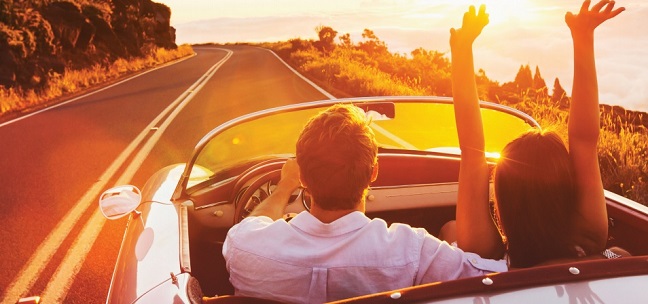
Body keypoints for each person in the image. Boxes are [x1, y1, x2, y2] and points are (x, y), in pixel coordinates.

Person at [222, 104, 506, 303]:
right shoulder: (413, 252)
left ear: (304, 177)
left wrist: (284, 187)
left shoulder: (244, 246)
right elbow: (497, 277)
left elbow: (254, 224)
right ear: (373, 172)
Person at [449, 0, 628, 268]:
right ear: (568, 190)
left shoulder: (487, 253)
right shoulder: (590, 237)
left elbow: (472, 151)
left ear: (503, 198)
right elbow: (584, 140)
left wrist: (461, 51)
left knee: (449, 230)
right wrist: (583, 37)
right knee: (620, 252)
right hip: (595, 260)